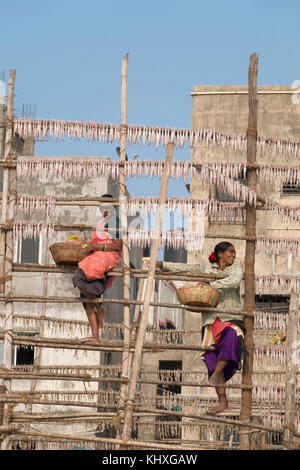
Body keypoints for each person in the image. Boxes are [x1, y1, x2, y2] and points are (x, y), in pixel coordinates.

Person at [157, 241, 246, 415]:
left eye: (234, 253)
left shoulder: (236, 268)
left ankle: (215, 376)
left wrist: (210, 285)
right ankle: (223, 402)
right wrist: (163, 264)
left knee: (230, 339)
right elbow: (185, 268)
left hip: (231, 317)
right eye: (231, 252)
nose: (233, 255)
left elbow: (234, 281)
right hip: (211, 320)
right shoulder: (207, 268)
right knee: (212, 357)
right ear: (220, 254)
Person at [72, 194, 122, 344]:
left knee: (88, 269)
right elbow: (92, 244)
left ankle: (98, 308)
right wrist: (84, 243)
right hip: (97, 256)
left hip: (108, 257)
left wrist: (96, 247)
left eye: (107, 205)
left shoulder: (116, 222)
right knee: (84, 294)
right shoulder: (101, 223)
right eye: (101, 206)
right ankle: (96, 332)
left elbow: (117, 245)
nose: (103, 209)